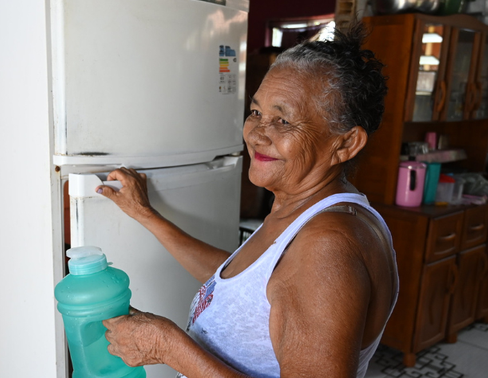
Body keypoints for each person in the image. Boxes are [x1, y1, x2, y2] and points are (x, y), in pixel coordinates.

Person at [96, 23, 398, 378]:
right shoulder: (303, 209)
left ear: (345, 144)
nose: (256, 134)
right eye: (256, 113)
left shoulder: (327, 246)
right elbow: (245, 283)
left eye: (283, 120)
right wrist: (146, 215)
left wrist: (168, 346)